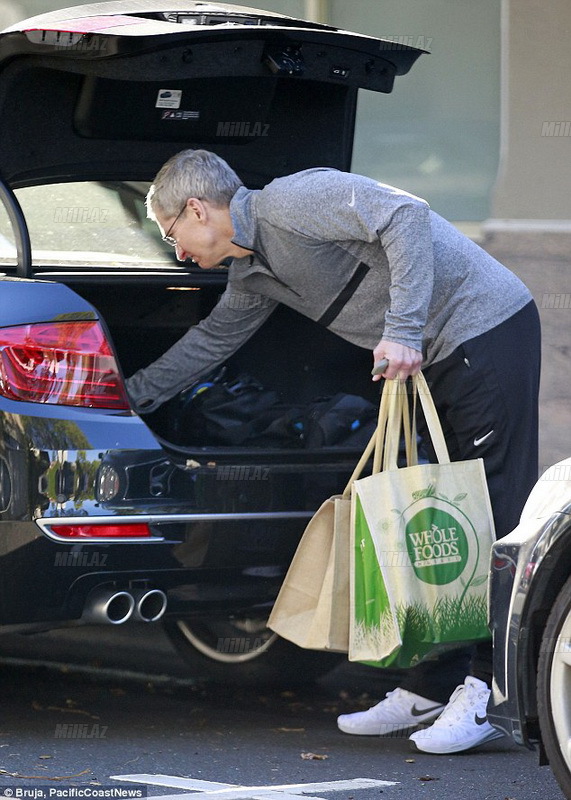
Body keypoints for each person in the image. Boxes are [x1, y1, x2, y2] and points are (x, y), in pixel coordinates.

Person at [126, 148, 541, 755]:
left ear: (197, 209)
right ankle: (433, 684)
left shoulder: (293, 200)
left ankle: (493, 696)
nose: (176, 250)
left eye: (173, 233)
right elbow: (208, 343)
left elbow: (406, 214)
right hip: (439, 357)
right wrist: (123, 398)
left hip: (484, 327)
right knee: (448, 520)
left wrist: (400, 331)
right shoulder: (250, 273)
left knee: (494, 513)